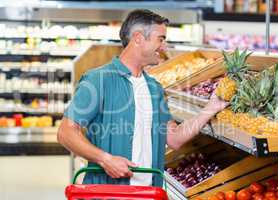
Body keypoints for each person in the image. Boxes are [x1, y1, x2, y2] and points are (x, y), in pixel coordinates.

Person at [57, 9, 228, 187]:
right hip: (107, 192)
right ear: (138, 38)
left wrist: (211, 108)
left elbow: (174, 138)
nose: (164, 47)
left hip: (149, 192)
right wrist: (105, 159)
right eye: (160, 39)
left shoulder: (155, 88)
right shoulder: (99, 79)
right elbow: (65, 132)